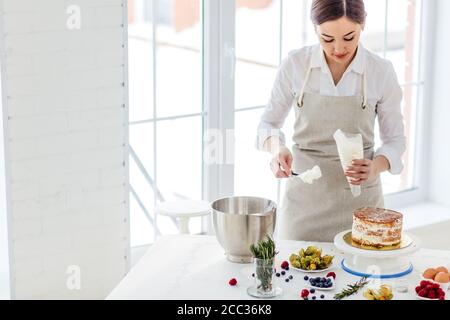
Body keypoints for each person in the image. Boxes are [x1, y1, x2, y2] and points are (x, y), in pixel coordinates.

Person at [256, 0, 406, 242]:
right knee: (297, 274)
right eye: (327, 39)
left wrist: (375, 166)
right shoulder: (296, 65)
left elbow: (395, 140)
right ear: (315, 29)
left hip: (362, 207)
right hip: (304, 207)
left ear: (363, 22)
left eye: (349, 37)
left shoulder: (381, 71)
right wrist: (276, 149)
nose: (338, 48)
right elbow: (267, 125)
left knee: (362, 277)